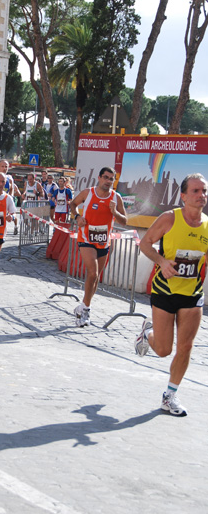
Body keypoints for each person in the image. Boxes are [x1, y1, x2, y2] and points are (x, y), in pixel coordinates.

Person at [134, 173, 208, 417]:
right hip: (165, 291)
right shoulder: (169, 218)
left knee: (185, 346)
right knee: (164, 349)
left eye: (204, 191)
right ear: (184, 196)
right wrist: (161, 261)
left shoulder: (207, 225)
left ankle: (170, 396)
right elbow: (145, 243)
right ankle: (147, 332)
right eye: (196, 191)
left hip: (192, 294)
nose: (201, 196)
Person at [69, 166, 127, 327]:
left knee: (95, 278)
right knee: (92, 272)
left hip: (103, 241)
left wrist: (115, 212)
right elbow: (72, 204)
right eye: (106, 177)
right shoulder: (88, 193)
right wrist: (78, 217)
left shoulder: (116, 198)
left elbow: (125, 221)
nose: (108, 181)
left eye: (111, 179)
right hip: (86, 238)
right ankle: (86, 310)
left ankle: (83, 306)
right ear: (99, 178)